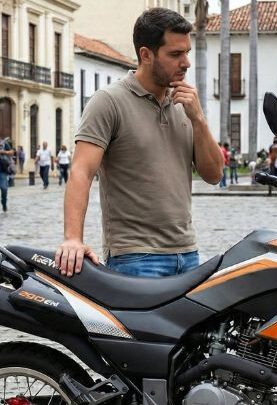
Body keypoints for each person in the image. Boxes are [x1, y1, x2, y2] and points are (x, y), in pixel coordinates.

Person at [55, 8, 223, 278]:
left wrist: (199, 120)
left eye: (187, 53)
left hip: (188, 254)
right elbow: (81, 171)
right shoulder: (108, 102)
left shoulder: (186, 105)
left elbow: (214, 175)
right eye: (175, 54)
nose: (186, 63)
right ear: (146, 55)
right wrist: (73, 238)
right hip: (135, 258)